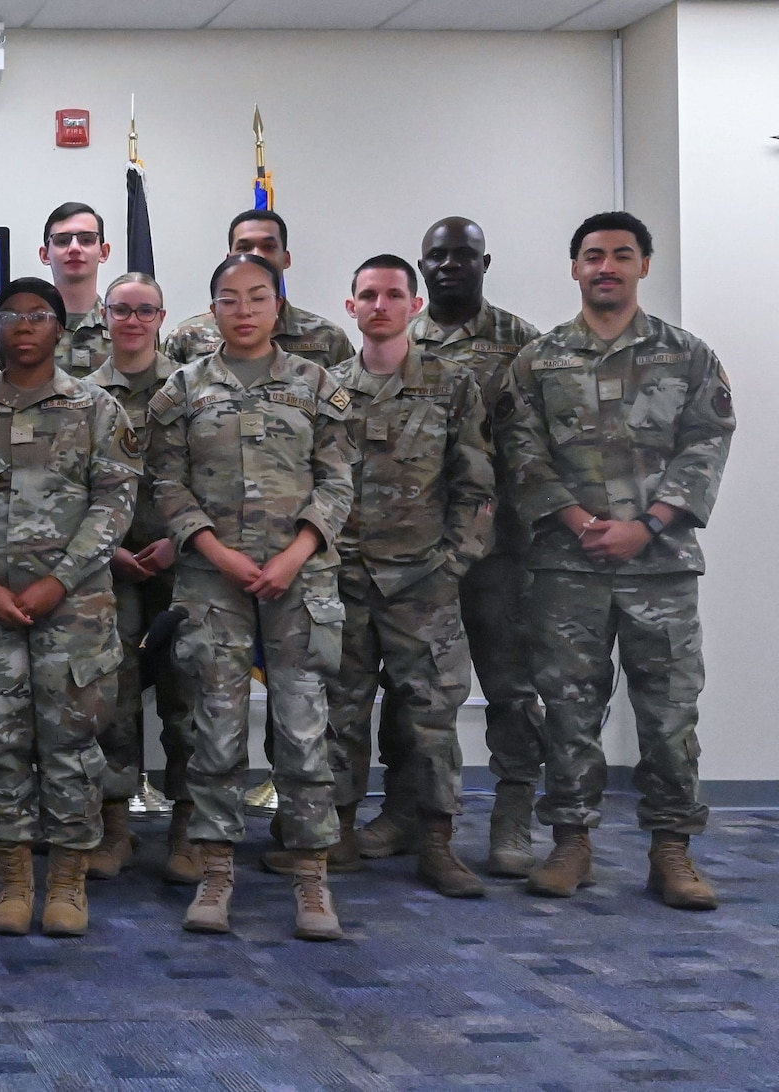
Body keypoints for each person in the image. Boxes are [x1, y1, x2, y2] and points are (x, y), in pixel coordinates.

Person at [498, 211, 734, 911]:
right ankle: (571, 841)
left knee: (668, 714)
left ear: (643, 266)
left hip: (659, 567)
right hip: (566, 568)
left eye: (621, 255)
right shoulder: (537, 361)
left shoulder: (687, 355)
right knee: (569, 711)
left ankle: (673, 849)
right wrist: (575, 519)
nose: (607, 266)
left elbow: (707, 443)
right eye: (594, 255)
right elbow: (521, 452)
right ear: (575, 267)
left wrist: (648, 525)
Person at [260, 255, 491, 898]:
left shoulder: (452, 385)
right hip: (343, 579)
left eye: (394, 294)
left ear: (415, 305)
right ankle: (338, 835)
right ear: (350, 307)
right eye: (368, 295)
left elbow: (477, 489)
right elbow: (310, 483)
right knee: (338, 712)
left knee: (431, 716)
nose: (381, 305)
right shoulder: (327, 387)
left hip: (424, 582)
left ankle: (436, 841)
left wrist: (453, 565)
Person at [148, 253, 355, 941]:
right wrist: (217, 552)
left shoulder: (316, 384)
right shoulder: (180, 390)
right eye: (229, 299)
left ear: (278, 304)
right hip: (214, 578)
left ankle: (311, 877)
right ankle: (214, 872)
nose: (243, 309)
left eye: (257, 297)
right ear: (212, 310)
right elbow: (167, 485)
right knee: (216, 726)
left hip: (301, 576)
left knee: (303, 727)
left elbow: (338, 483)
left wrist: (297, 551)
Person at [0, 277, 137, 937]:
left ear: (60, 328)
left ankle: (69, 884)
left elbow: (115, 503)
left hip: (73, 606)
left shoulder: (98, 408)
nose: (24, 326)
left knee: (73, 743)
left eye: (38, 315)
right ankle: (15, 879)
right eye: (11, 315)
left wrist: (61, 578)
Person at [402, 216, 546, 875]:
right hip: (422, 551)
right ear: (422, 265)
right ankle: (414, 815)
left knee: (512, 687)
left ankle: (514, 814)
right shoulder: (403, 340)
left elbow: (544, 445)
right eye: (438, 256)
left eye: (464, 255)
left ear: (486, 263)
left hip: (502, 551)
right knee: (417, 689)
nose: (450, 265)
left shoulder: (522, 342)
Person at [84, 272, 194, 883]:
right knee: (112, 695)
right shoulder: (81, 393)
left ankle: (186, 825)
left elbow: (211, 474)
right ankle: (115, 824)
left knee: (188, 692)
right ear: (104, 315)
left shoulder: (190, 388)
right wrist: (110, 550)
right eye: (121, 309)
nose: (132, 320)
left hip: (182, 560)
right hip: (109, 564)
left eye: (144, 310)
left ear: (161, 316)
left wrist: (179, 540)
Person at [164, 210, 355, 369]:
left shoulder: (328, 338)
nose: (257, 255)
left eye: (268, 247)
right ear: (229, 258)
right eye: (245, 247)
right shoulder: (186, 338)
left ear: (286, 259)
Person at [39, 202, 114, 376]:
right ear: (45, 254)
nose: (74, 248)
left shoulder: (124, 324)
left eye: (86, 240)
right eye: (62, 241)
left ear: (103, 252)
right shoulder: (23, 327)